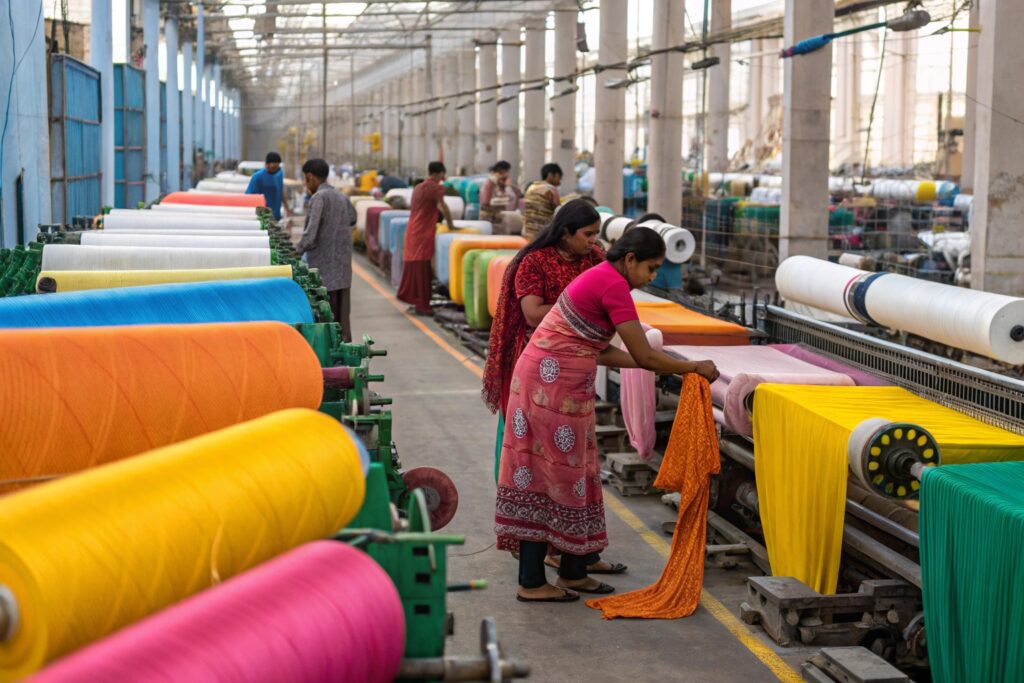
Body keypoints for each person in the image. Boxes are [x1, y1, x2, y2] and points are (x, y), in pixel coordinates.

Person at [495, 227, 719, 602]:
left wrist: (667, 366)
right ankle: (531, 581)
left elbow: (603, 351)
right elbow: (645, 355)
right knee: (547, 475)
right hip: (550, 388)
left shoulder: (601, 278)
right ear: (630, 259)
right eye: (651, 268)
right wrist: (691, 367)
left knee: (574, 475)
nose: (652, 277)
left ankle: (573, 570)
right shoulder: (612, 285)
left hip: (554, 384)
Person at [296, 158, 356, 342]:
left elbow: (310, 234)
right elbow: (353, 218)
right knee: (342, 317)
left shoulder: (318, 198)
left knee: (325, 318)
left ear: (310, 177)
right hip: (342, 269)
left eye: (306, 180)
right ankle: (344, 350)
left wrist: (294, 253)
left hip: (323, 271)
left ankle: (330, 356)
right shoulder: (342, 197)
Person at [397, 161, 455, 316]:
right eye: (443, 174)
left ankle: (417, 302)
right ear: (438, 173)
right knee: (422, 269)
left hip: (413, 230)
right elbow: (443, 207)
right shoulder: (434, 188)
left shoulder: (418, 187)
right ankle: (422, 305)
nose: (443, 177)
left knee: (416, 266)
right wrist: (451, 226)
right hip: (423, 232)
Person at [521, 163, 563, 241]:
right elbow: (559, 211)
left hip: (527, 231)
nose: (559, 182)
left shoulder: (531, 187)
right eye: (559, 177)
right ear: (550, 175)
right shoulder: (551, 189)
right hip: (543, 233)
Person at [479, 161, 522, 234]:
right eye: (505, 172)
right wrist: (508, 188)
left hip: (500, 221)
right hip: (491, 220)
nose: (507, 175)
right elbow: (510, 202)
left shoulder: (502, 185)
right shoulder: (490, 184)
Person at [245, 152, 288, 220]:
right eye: (273, 167)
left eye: (277, 167)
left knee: (276, 229)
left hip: (276, 215)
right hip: (263, 217)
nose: (276, 169)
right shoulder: (258, 177)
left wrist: (287, 208)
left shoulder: (279, 174)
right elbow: (250, 198)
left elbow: (281, 191)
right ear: (267, 164)